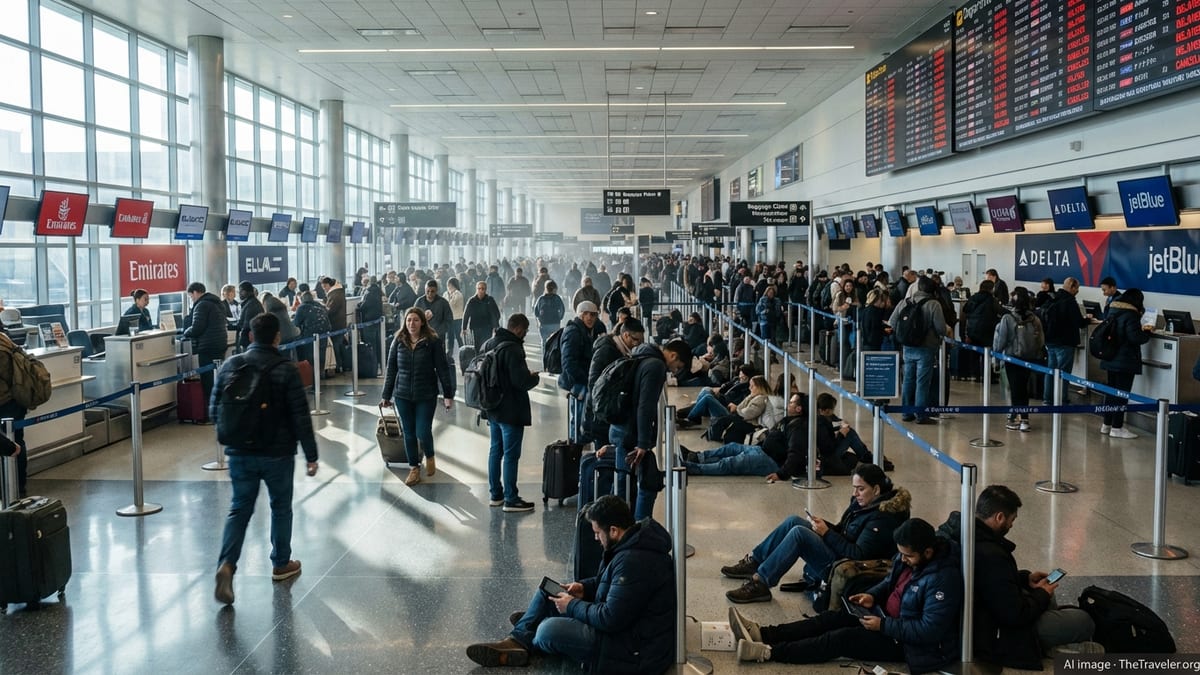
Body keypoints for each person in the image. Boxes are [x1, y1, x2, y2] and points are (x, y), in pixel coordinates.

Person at [466, 495, 676, 671]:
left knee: (547, 630)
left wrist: (572, 606)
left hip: (631, 648)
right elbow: (612, 585)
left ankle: (530, 629)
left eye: (597, 533)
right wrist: (583, 588)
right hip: (620, 626)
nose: (596, 538)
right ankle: (519, 638)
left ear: (613, 530)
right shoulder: (628, 544)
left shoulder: (634, 561)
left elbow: (610, 618)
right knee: (546, 593)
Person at [730, 518, 961, 673]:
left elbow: (929, 630)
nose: (902, 560)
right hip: (882, 617)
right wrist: (871, 596)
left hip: (906, 642)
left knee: (840, 639)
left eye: (908, 556)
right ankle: (764, 633)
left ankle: (770, 652)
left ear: (927, 552)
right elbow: (889, 583)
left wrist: (883, 626)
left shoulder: (943, 580)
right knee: (829, 619)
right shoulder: (907, 559)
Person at [211, 313, 319, 606]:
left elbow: (214, 409)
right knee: (280, 507)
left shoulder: (232, 365)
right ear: (277, 337)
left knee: (239, 509)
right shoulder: (286, 369)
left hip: (240, 454)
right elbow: (300, 415)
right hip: (277, 453)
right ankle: (281, 563)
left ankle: (227, 565)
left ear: (249, 336)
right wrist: (311, 455)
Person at [938, 485, 1099, 668]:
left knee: (1045, 592)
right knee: (1084, 621)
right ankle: (1048, 645)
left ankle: (1053, 639)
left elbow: (990, 582)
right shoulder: (991, 554)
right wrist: (1042, 595)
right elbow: (1015, 615)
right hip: (995, 632)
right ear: (999, 517)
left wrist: (1023, 578)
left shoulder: (964, 534)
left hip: (979, 615)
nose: (1011, 525)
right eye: (1011, 519)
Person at [722, 464, 910, 603]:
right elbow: (845, 531)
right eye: (854, 488)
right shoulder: (865, 504)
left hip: (846, 567)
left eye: (861, 489)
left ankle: (761, 583)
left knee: (799, 534)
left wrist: (827, 533)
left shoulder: (883, 517)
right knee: (794, 521)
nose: (855, 494)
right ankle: (756, 561)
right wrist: (824, 526)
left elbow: (859, 555)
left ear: (876, 489)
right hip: (841, 555)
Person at [608, 340, 690, 521]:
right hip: (632, 433)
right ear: (673, 355)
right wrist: (643, 443)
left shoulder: (642, 353)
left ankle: (624, 527)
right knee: (641, 484)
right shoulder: (656, 366)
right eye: (678, 366)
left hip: (621, 426)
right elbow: (645, 405)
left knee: (626, 482)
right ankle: (632, 530)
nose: (675, 370)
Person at [380, 307, 456, 486]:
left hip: (426, 394)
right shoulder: (398, 341)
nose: (411, 324)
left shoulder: (433, 341)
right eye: (408, 320)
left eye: (415, 320)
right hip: (403, 394)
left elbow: (442, 369)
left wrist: (448, 394)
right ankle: (414, 468)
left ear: (422, 322)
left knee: (422, 430)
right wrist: (386, 395)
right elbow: (391, 369)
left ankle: (429, 454)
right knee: (409, 432)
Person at [480, 314, 541, 512]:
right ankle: (511, 498)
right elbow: (520, 381)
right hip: (511, 409)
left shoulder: (489, 343)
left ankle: (495, 495)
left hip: (492, 407)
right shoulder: (514, 348)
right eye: (524, 330)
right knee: (511, 455)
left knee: (495, 451)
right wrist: (534, 378)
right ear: (517, 328)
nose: (525, 334)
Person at [684, 393, 808, 477]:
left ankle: (692, 468)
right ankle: (698, 457)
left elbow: (795, 453)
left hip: (771, 461)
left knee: (730, 463)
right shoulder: (789, 420)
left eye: (791, 403)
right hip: (762, 449)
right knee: (731, 447)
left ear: (798, 409)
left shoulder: (798, 428)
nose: (788, 404)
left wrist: (781, 474)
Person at [889, 276, 949, 425]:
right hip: (926, 347)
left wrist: (904, 335)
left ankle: (906, 412)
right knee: (922, 382)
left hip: (908, 347)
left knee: (908, 379)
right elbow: (941, 328)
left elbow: (892, 322)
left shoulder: (905, 302)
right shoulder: (933, 304)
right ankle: (921, 415)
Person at [1099, 288, 1153, 439]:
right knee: (1122, 395)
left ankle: (1106, 424)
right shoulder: (1131, 315)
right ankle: (1117, 428)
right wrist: (1147, 333)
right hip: (1125, 361)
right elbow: (1135, 337)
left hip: (1110, 358)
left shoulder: (1113, 310)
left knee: (1111, 393)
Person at [992, 287, 1042, 432]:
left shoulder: (1008, 318)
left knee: (1014, 388)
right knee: (1023, 388)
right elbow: (1040, 340)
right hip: (1029, 358)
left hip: (1012, 358)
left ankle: (1015, 418)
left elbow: (1001, 340)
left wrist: (996, 355)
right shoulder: (1035, 319)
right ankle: (1024, 418)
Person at [557, 300, 606, 443]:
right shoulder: (573, 332)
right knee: (578, 420)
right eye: (586, 314)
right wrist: (584, 380)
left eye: (593, 314)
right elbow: (568, 362)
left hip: (587, 381)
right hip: (578, 383)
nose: (590, 317)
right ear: (579, 315)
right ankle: (576, 449)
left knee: (586, 419)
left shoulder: (594, 329)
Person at [1039, 276, 1091, 406]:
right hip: (1065, 342)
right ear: (1072, 287)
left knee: (1050, 371)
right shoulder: (1070, 301)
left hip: (1050, 341)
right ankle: (1062, 399)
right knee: (1064, 373)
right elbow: (1079, 322)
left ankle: (1048, 399)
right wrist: (1088, 320)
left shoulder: (1052, 298)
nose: (1077, 291)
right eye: (1077, 288)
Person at [183, 282, 229, 412]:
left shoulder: (202, 305)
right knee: (217, 377)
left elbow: (197, 327)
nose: (192, 299)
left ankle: (210, 411)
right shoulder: (217, 302)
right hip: (220, 343)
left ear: (196, 292)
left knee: (208, 380)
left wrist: (186, 332)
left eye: (191, 296)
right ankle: (220, 408)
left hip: (207, 346)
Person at [0, 331, 30, 497]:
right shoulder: (5, 340)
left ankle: (15, 488)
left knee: (13, 444)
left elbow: (8, 376)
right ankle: (16, 488)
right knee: (15, 441)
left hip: (6, 404)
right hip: (13, 402)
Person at [814, 392, 874, 474]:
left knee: (849, 432)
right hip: (827, 456)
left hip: (826, 452)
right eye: (832, 410)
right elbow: (828, 448)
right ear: (826, 411)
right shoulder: (820, 424)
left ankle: (866, 455)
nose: (832, 412)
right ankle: (867, 456)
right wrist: (841, 435)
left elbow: (834, 420)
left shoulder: (820, 417)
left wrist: (841, 424)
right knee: (850, 434)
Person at [963, 280, 1004, 381]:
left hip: (972, 330)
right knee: (987, 355)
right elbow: (1001, 311)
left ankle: (976, 375)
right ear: (991, 289)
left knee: (975, 354)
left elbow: (965, 310)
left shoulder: (973, 298)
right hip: (987, 331)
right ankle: (987, 376)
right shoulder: (992, 300)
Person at [291, 290, 330, 370]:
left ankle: (310, 377)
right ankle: (320, 375)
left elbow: (296, 323)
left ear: (302, 299)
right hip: (324, 335)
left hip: (310, 336)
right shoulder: (320, 305)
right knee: (321, 357)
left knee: (310, 359)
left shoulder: (302, 307)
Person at [462, 280, 501, 350]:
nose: (481, 290)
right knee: (477, 346)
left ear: (485, 289)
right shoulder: (472, 300)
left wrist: (495, 326)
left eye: (483, 289)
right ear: (476, 289)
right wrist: (464, 328)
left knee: (486, 345)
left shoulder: (490, 300)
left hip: (487, 327)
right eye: (479, 288)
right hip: (475, 327)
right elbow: (466, 314)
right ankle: (478, 359)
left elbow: (496, 314)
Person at [415, 279, 453, 350]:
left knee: (438, 358)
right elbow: (413, 317)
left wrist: (438, 331)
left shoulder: (443, 303)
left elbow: (449, 320)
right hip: (422, 336)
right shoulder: (419, 302)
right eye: (427, 291)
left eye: (432, 291)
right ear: (425, 290)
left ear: (436, 291)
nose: (430, 294)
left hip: (438, 337)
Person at [321, 277, 348, 372]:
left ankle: (339, 366)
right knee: (339, 345)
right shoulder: (339, 292)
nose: (324, 288)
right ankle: (343, 365)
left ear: (329, 285)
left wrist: (323, 308)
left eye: (325, 286)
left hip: (336, 324)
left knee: (336, 345)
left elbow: (331, 310)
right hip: (340, 324)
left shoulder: (335, 294)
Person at [357, 275, 385, 364]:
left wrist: (359, 306)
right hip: (376, 319)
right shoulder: (378, 291)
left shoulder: (369, 292)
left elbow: (364, 306)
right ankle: (379, 362)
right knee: (377, 342)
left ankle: (373, 363)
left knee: (370, 343)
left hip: (369, 320)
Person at [533, 280, 566, 345]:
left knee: (544, 342)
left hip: (543, 324)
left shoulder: (541, 299)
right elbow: (562, 309)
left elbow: (536, 311)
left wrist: (538, 320)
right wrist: (560, 318)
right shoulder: (557, 298)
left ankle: (545, 354)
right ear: (554, 289)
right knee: (555, 342)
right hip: (555, 323)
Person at [444, 277, 465, 358]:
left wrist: (450, 296)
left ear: (454, 285)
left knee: (458, 336)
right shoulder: (446, 293)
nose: (448, 287)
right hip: (449, 318)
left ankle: (463, 352)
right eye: (447, 285)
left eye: (449, 285)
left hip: (457, 318)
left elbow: (450, 305)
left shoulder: (458, 294)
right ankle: (449, 353)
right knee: (450, 336)